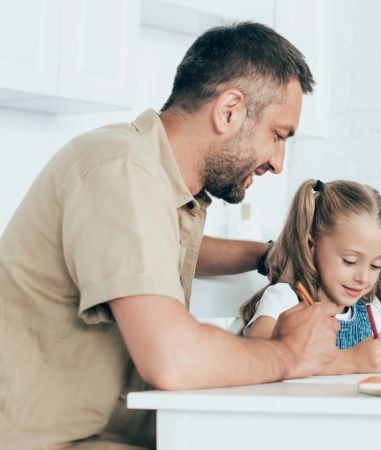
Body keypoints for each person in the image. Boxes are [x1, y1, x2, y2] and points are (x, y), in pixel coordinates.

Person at [0, 23, 341, 449]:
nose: (277, 162)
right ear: (229, 110)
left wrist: (266, 256)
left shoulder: (151, 177)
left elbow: (150, 254)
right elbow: (173, 360)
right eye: (277, 135)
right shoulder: (120, 168)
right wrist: (290, 353)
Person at [240, 179, 381, 373]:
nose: (363, 277)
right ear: (311, 246)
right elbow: (256, 352)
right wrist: (351, 360)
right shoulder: (287, 301)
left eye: (376, 265)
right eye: (350, 261)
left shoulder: (370, 314)